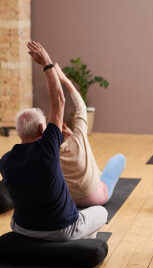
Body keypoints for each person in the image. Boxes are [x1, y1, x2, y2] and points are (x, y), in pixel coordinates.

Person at [0, 41, 107, 241]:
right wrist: (47, 64)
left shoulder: (5, 161)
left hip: (22, 228)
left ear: (19, 131)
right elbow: (58, 101)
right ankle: (82, 246)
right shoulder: (48, 149)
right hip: (61, 230)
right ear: (42, 128)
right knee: (101, 212)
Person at [54, 63, 126, 207]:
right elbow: (81, 107)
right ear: (65, 128)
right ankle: (99, 180)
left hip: (69, 200)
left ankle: (97, 176)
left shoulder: (49, 150)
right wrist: (65, 81)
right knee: (119, 159)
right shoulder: (78, 138)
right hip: (95, 197)